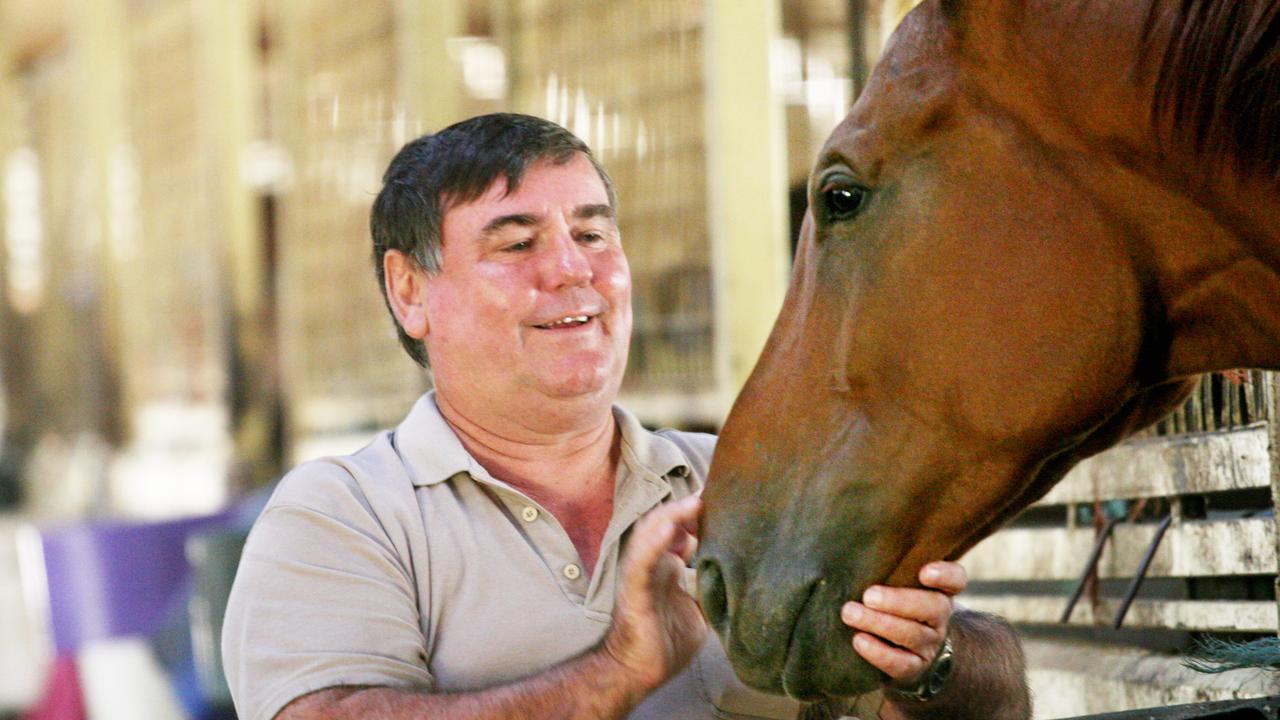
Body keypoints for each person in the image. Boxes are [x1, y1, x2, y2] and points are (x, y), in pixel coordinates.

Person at [222, 113, 1031, 720]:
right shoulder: (344, 515)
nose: (572, 270)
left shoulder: (742, 475)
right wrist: (614, 670)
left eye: (592, 232)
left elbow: (1001, 698)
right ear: (409, 291)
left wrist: (931, 660)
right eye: (515, 243)